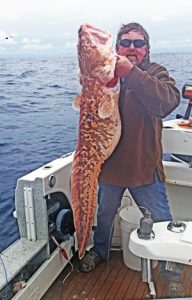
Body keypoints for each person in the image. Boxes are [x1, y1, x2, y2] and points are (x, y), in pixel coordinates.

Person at [79, 22, 183, 297]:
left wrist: (132, 74)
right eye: (126, 42)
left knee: (162, 222)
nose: (132, 48)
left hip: (145, 169)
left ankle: (171, 273)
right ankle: (99, 252)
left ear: (147, 49)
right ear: (117, 47)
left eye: (138, 43)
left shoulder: (154, 72)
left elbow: (168, 102)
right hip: (110, 169)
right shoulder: (105, 74)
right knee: (103, 218)